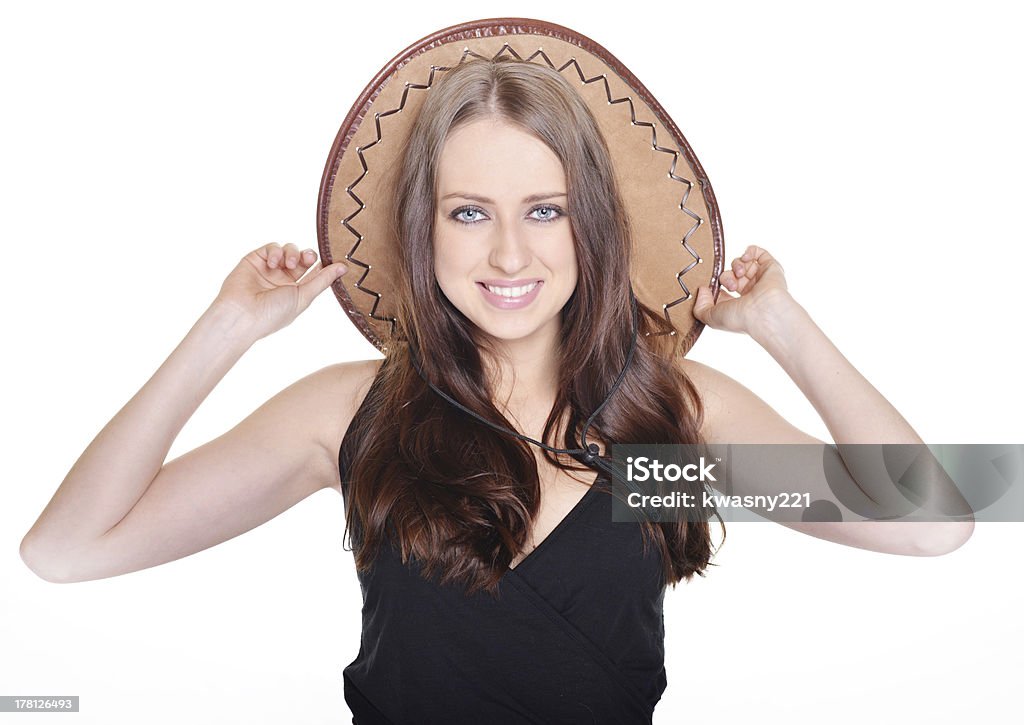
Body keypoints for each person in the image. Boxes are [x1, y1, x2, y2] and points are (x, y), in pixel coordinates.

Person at [20, 57, 973, 723]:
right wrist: (228, 325)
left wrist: (783, 328)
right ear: (421, 229)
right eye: (469, 212)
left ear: (589, 225)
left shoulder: (663, 428)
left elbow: (933, 521)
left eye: (545, 210)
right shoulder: (355, 414)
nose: (510, 253)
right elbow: (65, 550)